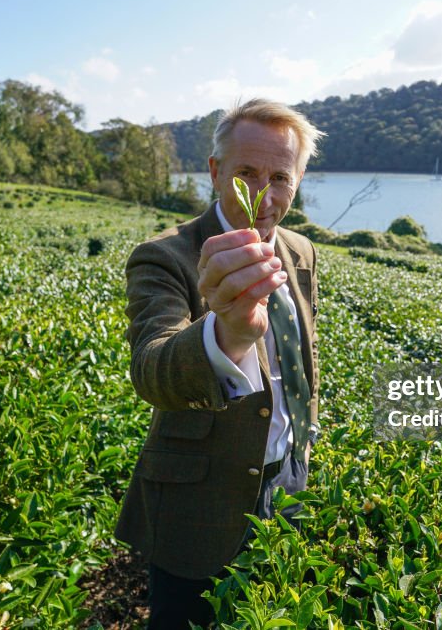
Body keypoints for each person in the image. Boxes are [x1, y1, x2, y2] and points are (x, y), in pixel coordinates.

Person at [114, 98, 325, 629]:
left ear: (298, 179)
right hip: (196, 505)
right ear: (215, 172)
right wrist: (226, 332)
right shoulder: (166, 255)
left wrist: (305, 441)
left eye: (280, 176)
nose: (264, 194)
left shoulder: (301, 251)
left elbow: (300, 353)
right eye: (246, 173)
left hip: (288, 482)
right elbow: (153, 368)